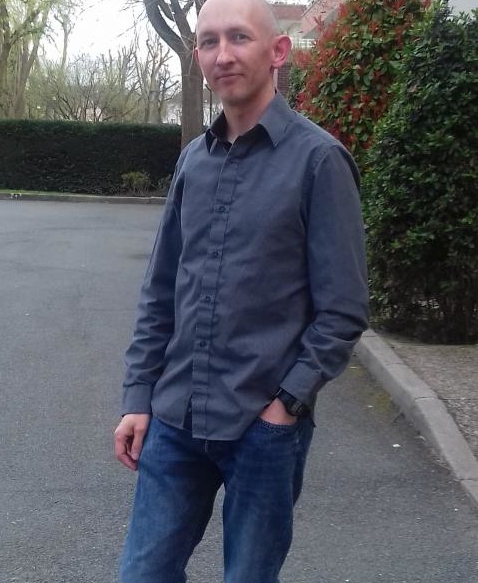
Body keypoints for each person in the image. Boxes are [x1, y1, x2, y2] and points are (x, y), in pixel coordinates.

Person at [114, 0, 369, 580]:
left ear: (277, 51)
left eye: (239, 38)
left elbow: (343, 309)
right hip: (176, 417)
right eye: (208, 42)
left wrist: (286, 406)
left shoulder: (319, 162)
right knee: (143, 574)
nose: (222, 55)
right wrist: (137, 397)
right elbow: (161, 290)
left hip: (263, 427)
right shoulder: (193, 163)